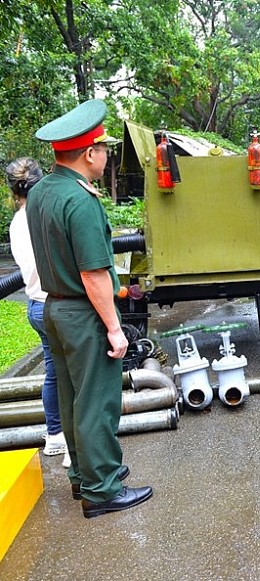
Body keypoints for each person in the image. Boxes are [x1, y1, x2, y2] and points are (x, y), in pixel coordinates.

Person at [27, 99, 151, 518]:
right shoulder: (81, 202)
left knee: (71, 397)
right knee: (97, 400)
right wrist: (115, 329)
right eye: (103, 149)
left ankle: (85, 475)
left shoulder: (43, 190)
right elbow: (95, 275)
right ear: (88, 153)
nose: (106, 156)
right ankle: (102, 490)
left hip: (54, 310)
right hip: (83, 313)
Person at [7, 158, 71, 469]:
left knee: (54, 373)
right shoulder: (42, 217)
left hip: (35, 305)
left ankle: (55, 436)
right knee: (75, 375)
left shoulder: (16, 222)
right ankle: (75, 449)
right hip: (56, 304)